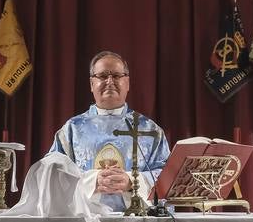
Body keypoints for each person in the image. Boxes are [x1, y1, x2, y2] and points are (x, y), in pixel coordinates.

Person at [48, 51, 171, 211]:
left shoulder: (150, 130)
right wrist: (91, 181)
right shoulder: (72, 129)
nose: (110, 81)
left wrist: (132, 182)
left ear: (127, 83)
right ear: (92, 84)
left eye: (117, 76)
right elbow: (51, 173)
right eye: (103, 76)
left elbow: (169, 177)